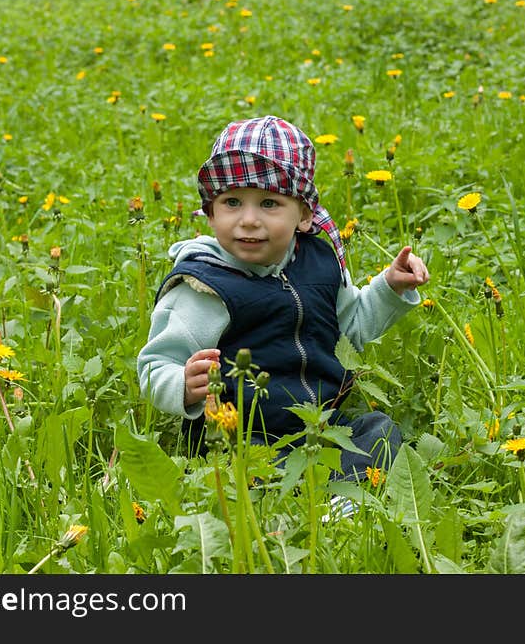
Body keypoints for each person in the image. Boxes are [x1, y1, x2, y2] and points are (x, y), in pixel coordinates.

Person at [137, 115, 429, 482]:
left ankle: (339, 498)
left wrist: (390, 287)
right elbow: (153, 365)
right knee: (245, 467)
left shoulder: (319, 265)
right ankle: (309, 491)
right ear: (210, 214)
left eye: (269, 203)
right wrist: (181, 384)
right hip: (240, 433)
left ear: (304, 215)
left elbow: (350, 329)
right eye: (231, 202)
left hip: (321, 425)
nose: (248, 220)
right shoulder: (205, 287)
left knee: (379, 431)